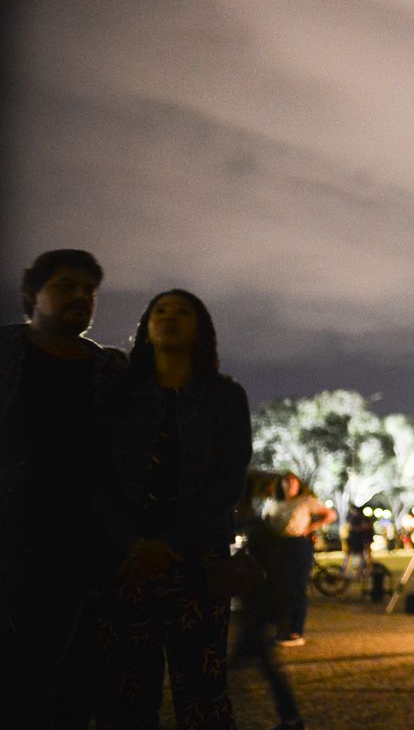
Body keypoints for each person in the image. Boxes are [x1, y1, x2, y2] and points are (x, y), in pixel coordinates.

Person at [99, 289, 252, 728]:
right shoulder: (120, 394)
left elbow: (229, 480)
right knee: (124, 690)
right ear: (145, 327)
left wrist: (170, 542)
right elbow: (99, 473)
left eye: (183, 312)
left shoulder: (225, 397)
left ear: (202, 330)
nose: (169, 318)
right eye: (159, 311)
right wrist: (132, 541)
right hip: (125, 560)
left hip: (199, 560)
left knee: (203, 691)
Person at [0, 249, 125, 728]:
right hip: (14, 543)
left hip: (86, 550)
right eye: (67, 286)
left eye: (89, 291)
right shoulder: (7, 354)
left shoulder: (109, 370)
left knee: (75, 684)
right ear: (33, 294)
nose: (81, 297)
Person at [231, 471, 304, 730]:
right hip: (255, 606)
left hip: (258, 607)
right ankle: (290, 717)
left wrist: (282, 611)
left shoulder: (257, 531)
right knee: (260, 662)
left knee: (252, 663)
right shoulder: (254, 527)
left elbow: (275, 573)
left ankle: (291, 717)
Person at [264, 471, 335, 646]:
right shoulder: (273, 502)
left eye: (292, 482)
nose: (289, 485)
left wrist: (310, 527)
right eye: (286, 482)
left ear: (298, 484)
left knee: (296, 586)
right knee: (279, 588)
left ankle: (296, 631)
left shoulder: (306, 501)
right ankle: (282, 629)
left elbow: (330, 515)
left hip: (297, 545)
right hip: (277, 545)